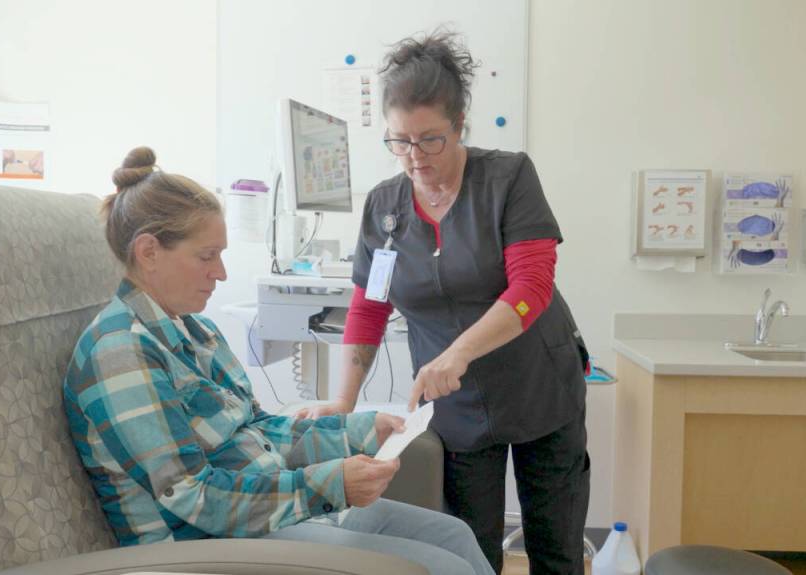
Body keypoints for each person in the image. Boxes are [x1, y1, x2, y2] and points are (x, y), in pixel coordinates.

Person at [63, 146, 493, 575]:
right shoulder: (121, 355)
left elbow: (258, 428)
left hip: (267, 514)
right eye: (206, 255)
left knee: (454, 536)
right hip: (206, 549)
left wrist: (360, 430)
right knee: (438, 568)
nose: (221, 273)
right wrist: (329, 484)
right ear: (149, 252)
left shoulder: (195, 332)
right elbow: (196, 498)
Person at [299, 31, 591, 574]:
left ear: (460, 126)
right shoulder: (385, 206)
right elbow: (368, 308)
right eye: (399, 141)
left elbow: (531, 287)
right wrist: (341, 402)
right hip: (455, 406)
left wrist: (458, 353)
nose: (414, 157)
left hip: (538, 386)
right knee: (466, 549)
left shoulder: (508, 179)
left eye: (430, 140)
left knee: (555, 550)